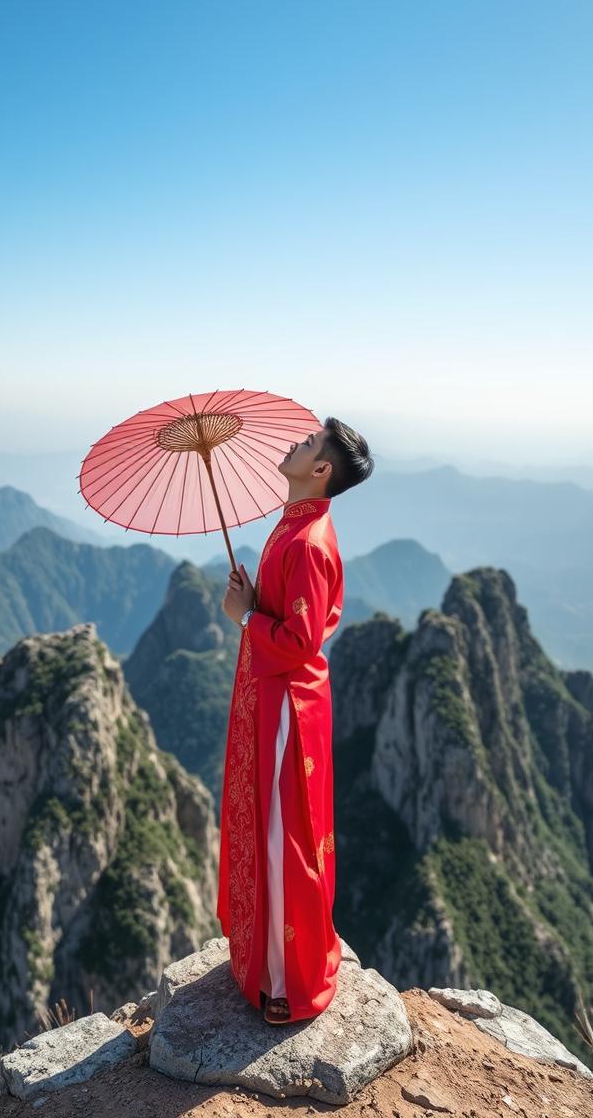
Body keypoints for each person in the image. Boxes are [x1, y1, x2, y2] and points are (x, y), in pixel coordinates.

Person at [217, 416, 374, 1024]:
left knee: (285, 834)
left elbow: (303, 640)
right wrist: (255, 601)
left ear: (322, 470)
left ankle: (286, 982)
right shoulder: (295, 523)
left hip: (286, 703)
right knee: (267, 821)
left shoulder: (308, 540)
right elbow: (288, 615)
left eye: (308, 445)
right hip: (271, 694)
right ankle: (263, 959)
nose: (294, 444)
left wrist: (244, 619)